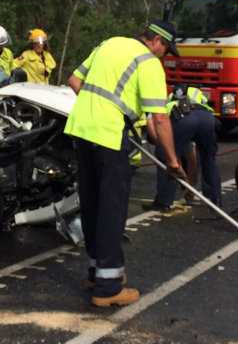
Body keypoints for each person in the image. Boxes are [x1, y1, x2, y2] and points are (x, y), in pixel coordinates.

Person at [65, 20, 186, 307]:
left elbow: (74, 81)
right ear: (157, 40)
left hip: (81, 130)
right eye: (166, 49)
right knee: (112, 210)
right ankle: (108, 289)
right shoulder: (148, 62)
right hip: (108, 137)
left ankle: (96, 273)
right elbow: (160, 119)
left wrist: (101, 108)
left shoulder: (109, 43)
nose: (164, 55)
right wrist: (172, 161)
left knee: (92, 205)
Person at [144, 85, 220, 212]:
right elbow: (192, 159)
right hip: (208, 119)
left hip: (184, 119)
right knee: (209, 159)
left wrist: (164, 149)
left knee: (164, 155)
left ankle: (163, 201)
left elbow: (154, 129)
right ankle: (214, 200)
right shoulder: (195, 95)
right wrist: (190, 188)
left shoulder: (162, 105)